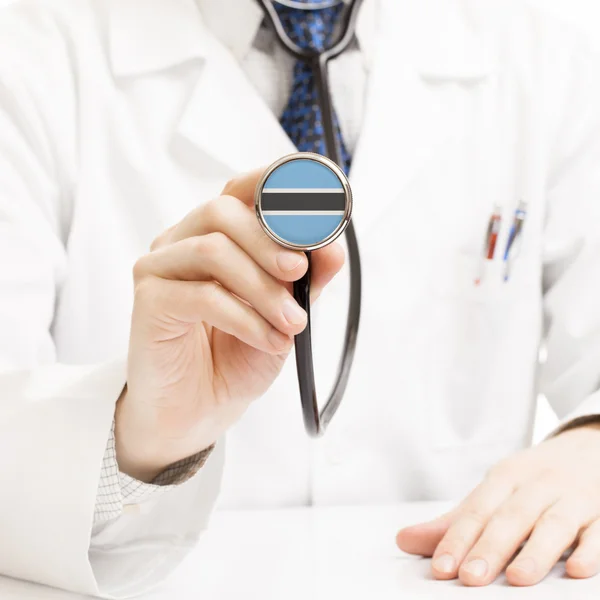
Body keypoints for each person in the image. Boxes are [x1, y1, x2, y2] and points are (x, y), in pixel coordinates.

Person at [1, 0, 600, 596]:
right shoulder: (30, 56)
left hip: (460, 578)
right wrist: (142, 443)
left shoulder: (550, 61)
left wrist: (591, 441)